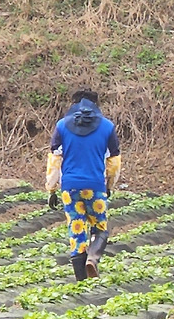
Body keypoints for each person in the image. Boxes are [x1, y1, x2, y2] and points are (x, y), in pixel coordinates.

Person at [45, 89, 122, 280]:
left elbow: (54, 160)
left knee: (77, 229)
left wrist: (52, 188)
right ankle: (93, 259)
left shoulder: (62, 126)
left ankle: (81, 280)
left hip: (69, 188)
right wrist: (109, 185)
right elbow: (114, 161)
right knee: (100, 228)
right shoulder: (107, 127)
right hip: (95, 186)